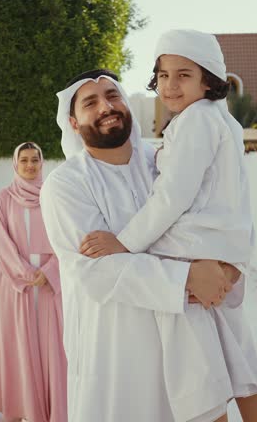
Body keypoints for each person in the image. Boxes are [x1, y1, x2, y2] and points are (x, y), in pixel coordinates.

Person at [78, 29, 257, 422]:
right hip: (218, 250)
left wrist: (124, 242)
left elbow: (172, 196)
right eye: (163, 75)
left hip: (189, 252)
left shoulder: (197, 121)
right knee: (239, 362)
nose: (170, 85)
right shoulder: (218, 119)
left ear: (208, 79)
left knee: (200, 381)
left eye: (184, 75)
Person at [40, 69, 236, 421]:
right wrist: (187, 277)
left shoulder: (164, 162)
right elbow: (96, 271)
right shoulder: (65, 185)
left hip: (183, 336)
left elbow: (209, 218)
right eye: (90, 102)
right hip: (113, 347)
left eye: (112, 96)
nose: (105, 106)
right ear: (73, 122)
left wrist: (223, 267)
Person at [0, 142, 67, 422]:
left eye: (35, 160)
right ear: (15, 164)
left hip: (49, 286)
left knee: (51, 349)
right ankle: (26, 409)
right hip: (17, 286)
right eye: (25, 160)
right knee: (19, 345)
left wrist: (50, 271)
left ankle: (53, 410)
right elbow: (0, 241)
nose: (30, 165)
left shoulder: (54, 196)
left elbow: (67, 238)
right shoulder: (3, 199)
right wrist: (25, 273)